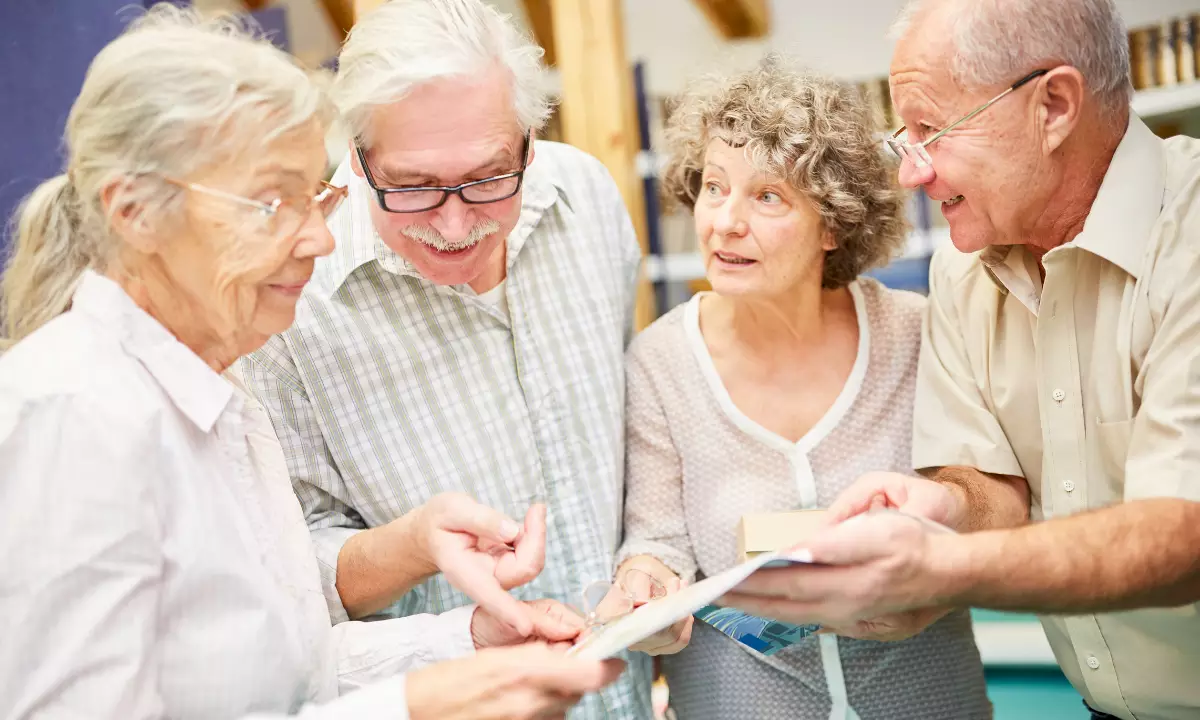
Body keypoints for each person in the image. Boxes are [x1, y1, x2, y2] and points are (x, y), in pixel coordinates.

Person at [0, 9, 622, 719]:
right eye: (272, 203)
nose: (322, 240)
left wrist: (471, 643)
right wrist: (412, 707)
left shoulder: (219, 398)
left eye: (313, 197)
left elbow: (294, 668)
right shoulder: (69, 416)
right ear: (135, 213)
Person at [719, 1, 1200, 719]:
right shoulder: (963, 268)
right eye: (902, 136)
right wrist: (941, 506)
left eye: (931, 132)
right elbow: (993, 490)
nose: (911, 173)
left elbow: (1183, 530)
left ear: (1055, 106)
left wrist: (936, 566)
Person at [238, 0, 650, 715]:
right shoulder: (291, 304)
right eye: (414, 187)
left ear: (528, 138)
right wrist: (412, 544)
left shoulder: (586, 197)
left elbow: (637, 433)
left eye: (490, 177)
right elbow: (287, 580)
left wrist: (653, 559)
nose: (457, 225)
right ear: (360, 157)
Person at [612, 58, 990, 719]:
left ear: (833, 224)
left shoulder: (918, 335)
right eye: (713, 187)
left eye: (767, 197)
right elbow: (658, 540)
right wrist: (645, 582)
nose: (725, 222)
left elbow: (984, 510)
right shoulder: (659, 364)